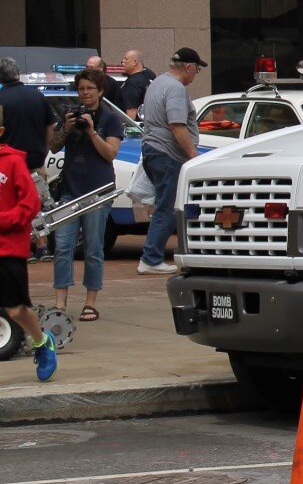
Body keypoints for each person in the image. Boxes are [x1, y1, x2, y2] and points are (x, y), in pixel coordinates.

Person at [51, 68, 122, 320]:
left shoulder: (110, 119)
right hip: (70, 191)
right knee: (62, 247)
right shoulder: (71, 115)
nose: (85, 93)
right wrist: (66, 128)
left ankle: (90, 302)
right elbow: (53, 146)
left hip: (98, 192)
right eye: (81, 89)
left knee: (93, 248)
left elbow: (110, 154)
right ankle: (60, 303)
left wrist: (92, 131)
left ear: (100, 91)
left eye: (90, 88)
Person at [0, 104, 58, 381]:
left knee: (16, 309)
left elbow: (30, 204)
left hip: (8, 249)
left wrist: (4, 220)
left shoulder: (12, 162)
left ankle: (42, 341)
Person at [137, 47, 206, 275]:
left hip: (153, 150)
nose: (196, 74)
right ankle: (150, 258)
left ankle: (153, 256)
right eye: (197, 70)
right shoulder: (176, 89)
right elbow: (177, 126)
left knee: (164, 205)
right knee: (168, 207)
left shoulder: (158, 82)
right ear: (188, 67)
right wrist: (193, 155)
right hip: (167, 154)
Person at [0, 57, 56, 261]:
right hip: (34, 159)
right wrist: (44, 151)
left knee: (12, 204)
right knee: (34, 202)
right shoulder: (37, 95)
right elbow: (50, 126)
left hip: (8, 160)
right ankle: (42, 245)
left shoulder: (1, 99)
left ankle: (28, 245)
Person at [117, 49, 156, 122]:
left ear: (135, 62)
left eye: (126, 59)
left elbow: (131, 110)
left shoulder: (132, 83)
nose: (123, 62)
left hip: (136, 125)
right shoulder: (150, 76)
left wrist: (129, 126)